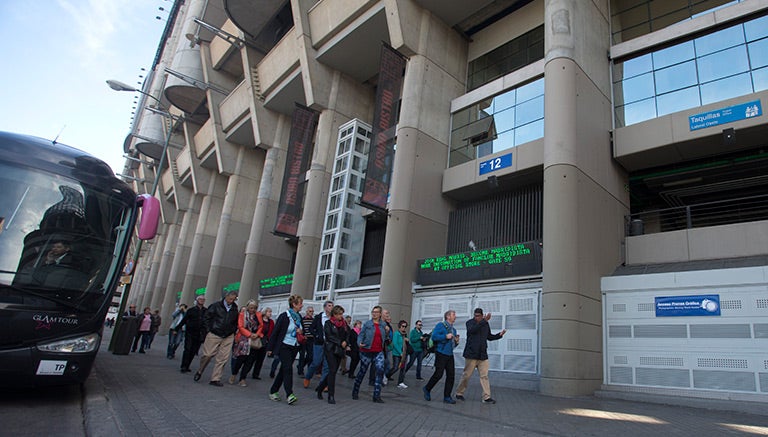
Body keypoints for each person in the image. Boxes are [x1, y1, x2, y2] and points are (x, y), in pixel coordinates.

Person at [455, 308, 506, 404]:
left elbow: (489, 337)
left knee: (484, 376)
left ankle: (486, 397)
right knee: (466, 375)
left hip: (482, 355)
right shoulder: (469, 323)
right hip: (471, 354)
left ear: (482, 315)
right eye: (475, 315)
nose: (476, 317)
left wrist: (499, 335)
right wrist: (484, 321)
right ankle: (459, 393)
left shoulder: (485, 324)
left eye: (478, 316)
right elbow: (472, 330)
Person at [193, 290, 239, 386]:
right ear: (226, 297)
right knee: (208, 354)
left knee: (223, 358)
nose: (231, 301)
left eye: (234, 299)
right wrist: (209, 329)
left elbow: (235, 321)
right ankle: (200, 370)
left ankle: (215, 378)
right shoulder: (216, 306)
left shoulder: (235, 308)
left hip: (228, 335)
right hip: (215, 333)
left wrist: (233, 331)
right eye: (230, 299)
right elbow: (206, 317)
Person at [267, 294, 304, 405]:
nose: (302, 306)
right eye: (300, 303)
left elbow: (302, 330)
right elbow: (276, 332)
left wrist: (301, 332)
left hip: (294, 346)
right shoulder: (284, 316)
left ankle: (273, 391)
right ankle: (289, 394)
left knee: (284, 370)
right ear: (294, 304)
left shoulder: (299, 317)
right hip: (284, 345)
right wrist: (270, 348)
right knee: (288, 369)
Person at [352, 305, 387, 403]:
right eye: (373, 312)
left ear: (380, 314)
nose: (374, 314)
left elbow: (386, 337)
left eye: (376, 312)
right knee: (362, 372)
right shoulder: (368, 324)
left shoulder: (383, 325)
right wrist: (359, 343)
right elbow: (361, 335)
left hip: (378, 351)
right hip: (367, 351)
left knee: (380, 370)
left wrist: (387, 332)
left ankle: (376, 395)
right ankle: (355, 391)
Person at [423, 310, 459, 404]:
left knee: (451, 376)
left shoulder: (454, 330)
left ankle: (447, 397)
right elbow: (434, 337)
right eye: (453, 315)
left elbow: (453, 345)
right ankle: (427, 388)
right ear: (448, 316)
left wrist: (456, 342)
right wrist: (445, 336)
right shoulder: (441, 325)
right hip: (441, 353)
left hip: (450, 354)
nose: (455, 316)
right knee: (438, 374)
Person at [315, 305, 348, 404]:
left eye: (342, 314)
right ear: (334, 314)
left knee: (332, 371)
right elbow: (329, 336)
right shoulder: (328, 323)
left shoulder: (344, 324)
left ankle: (320, 388)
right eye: (339, 314)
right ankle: (331, 395)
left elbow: (348, 334)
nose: (341, 316)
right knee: (332, 370)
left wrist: (346, 342)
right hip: (330, 349)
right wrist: (339, 342)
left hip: (339, 350)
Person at [229, 300, 263, 387]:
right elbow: (240, 326)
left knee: (250, 361)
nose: (253, 310)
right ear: (247, 307)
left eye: (254, 308)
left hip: (254, 339)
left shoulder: (258, 315)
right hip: (244, 339)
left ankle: (242, 378)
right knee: (240, 359)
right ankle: (234, 374)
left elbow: (261, 326)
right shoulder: (242, 315)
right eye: (251, 308)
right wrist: (249, 334)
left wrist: (257, 334)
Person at [303, 300, 333, 389]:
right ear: (325, 307)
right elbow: (311, 328)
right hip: (319, 343)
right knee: (316, 362)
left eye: (332, 306)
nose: (331, 307)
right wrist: (316, 335)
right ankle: (308, 377)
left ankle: (323, 384)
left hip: (329, 344)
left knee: (326, 364)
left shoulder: (333, 318)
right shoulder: (319, 317)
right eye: (329, 305)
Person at [178, 296, 207, 373]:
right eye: (200, 299)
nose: (202, 301)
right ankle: (184, 366)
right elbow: (184, 320)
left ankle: (187, 365)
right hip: (190, 332)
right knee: (187, 349)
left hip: (199, 333)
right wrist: (177, 328)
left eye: (203, 300)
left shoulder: (205, 311)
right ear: (197, 301)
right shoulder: (191, 310)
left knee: (193, 350)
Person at [251, 307, 274, 379]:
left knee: (260, 359)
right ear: (265, 312)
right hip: (258, 339)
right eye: (269, 312)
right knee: (252, 358)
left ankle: (256, 374)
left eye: (271, 312)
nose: (270, 313)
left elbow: (272, 332)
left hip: (265, 341)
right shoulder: (259, 320)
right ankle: (246, 371)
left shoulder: (271, 322)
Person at [386, 320, 410, 388]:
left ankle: (400, 382)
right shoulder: (396, 333)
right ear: (399, 326)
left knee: (403, 368)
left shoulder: (405, 334)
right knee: (395, 367)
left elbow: (406, 344)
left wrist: (407, 340)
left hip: (404, 353)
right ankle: (387, 375)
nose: (404, 328)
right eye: (403, 326)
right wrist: (400, 352)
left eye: (405, 326)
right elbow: (395, 344)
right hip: (397, 353)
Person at [298, 306, 315, 376]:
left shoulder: (314, 320)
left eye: (312, 311)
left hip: (311, 339)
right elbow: (301, 328)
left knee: (310, 356)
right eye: (310, 311)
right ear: (307, 312)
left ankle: (308, 370)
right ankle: (300, 370)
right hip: (304, 339)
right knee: (302, 355)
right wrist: (303, 334)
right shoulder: (302, 320)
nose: (311, 313)